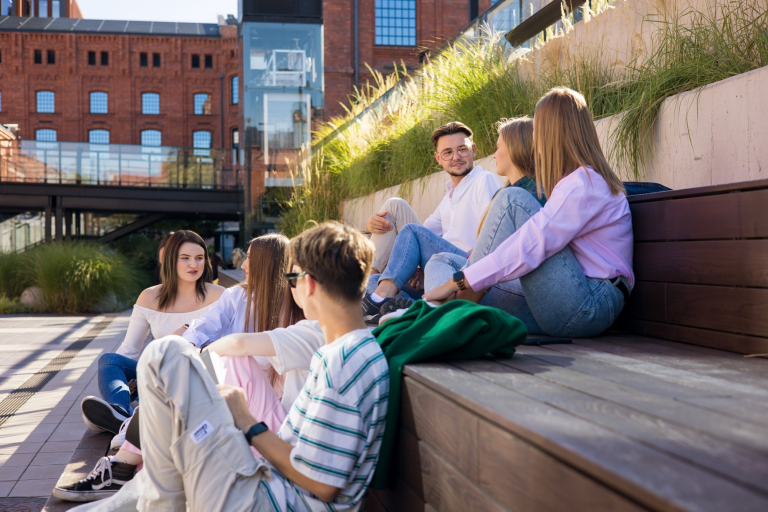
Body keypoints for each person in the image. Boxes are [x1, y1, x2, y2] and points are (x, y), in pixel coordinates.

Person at [69, 222, 389, 512]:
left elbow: (322, 484)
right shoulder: (348, 350)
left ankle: (145, 493)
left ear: (311, 283)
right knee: (171, 366)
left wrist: (246, 421)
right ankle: (142, 493)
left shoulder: (344, 362)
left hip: (267, 499)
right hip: (266, 481)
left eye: (292, 277)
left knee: (164, 355)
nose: (289, 286)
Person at [54, 234, 312, 503]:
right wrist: (182, 350)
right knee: (147, 365)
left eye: (250, 258)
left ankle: (128, 440)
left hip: (262, 409)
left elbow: (250, 353)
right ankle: (124, 446)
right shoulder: (237, 296)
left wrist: (193, 358)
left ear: (267, 264)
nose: (244, 265)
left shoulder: (293, 306)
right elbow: (202, 328)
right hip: (227, 390)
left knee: (226, 363)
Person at [424, 87, 633, 338]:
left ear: (551, 132)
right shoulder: (571, 182)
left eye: (537, 130)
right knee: (443, 261)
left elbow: (532, 244)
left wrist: (459, 281)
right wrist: (462, 277)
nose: (534, 137)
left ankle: (448, 316)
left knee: (512, 200)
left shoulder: (584, 183)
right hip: (564, 298)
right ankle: (449, 315)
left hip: (589, 305)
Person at [361, 121, 501, 319]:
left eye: (462, 149)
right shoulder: (449, 198)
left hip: (465, 269)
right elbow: (416, 241)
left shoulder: (483, 180)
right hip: (439, 274)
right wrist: (372, 225)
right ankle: (404, 309)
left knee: (411, 232)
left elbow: (491, 240)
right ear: (438, 158)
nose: (456, 157)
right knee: (375, 279)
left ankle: (376, 301)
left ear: (474, 150)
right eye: (447, 152)